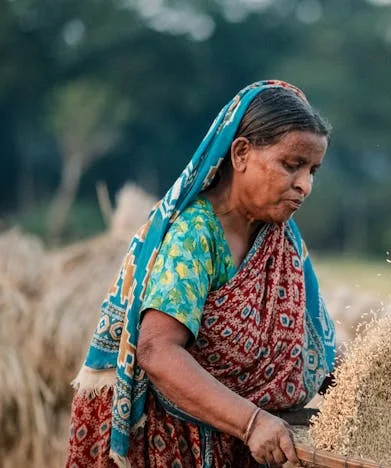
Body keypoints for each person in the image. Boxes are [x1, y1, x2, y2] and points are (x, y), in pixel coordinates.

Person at [66, 80, 336, 468]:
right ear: (241, 153)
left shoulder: (282, 240)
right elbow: (157, 350)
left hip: (242, 449)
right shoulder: (195, 235)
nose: (305, 185)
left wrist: (361, 385)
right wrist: (251, 422)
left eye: (313, 170)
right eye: (291, 165)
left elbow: (309, 345)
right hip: (175, 446)